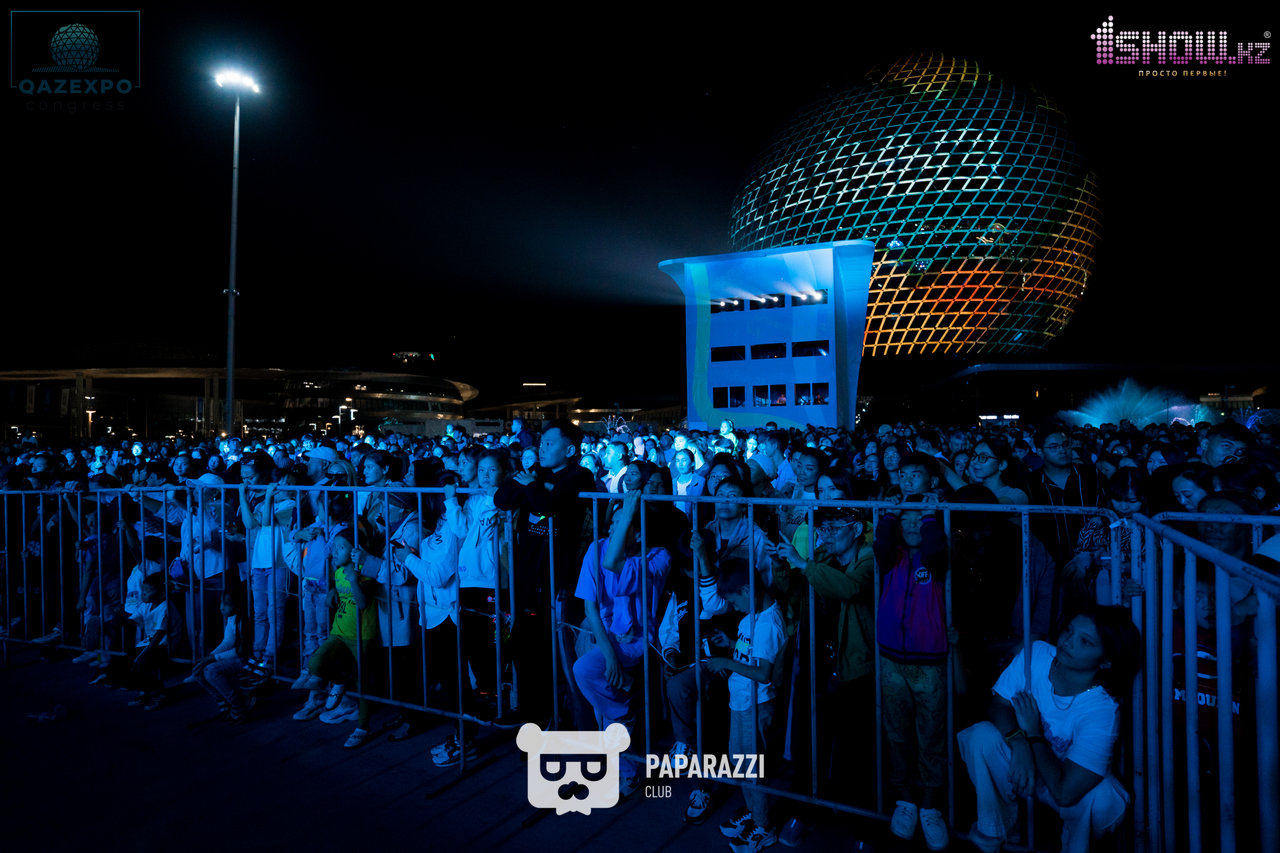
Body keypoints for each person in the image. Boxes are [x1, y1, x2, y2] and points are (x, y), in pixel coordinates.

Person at [958, 606, 1141, 853]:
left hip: (1062, 783)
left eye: (1085, 641)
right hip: (1024, 768)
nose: (1068, 642)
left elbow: (1065, 793)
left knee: (1102, 799)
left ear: (1106, 661)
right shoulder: (1037, 655)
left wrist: (1033, 734)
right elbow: (998, 705)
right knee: (980, 736)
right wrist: (1019, 742)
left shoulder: (1102, 710)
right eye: (1069, 630)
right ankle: (996, 832)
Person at [875, 497, 950, 851]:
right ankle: (905, 800)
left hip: (929, 661)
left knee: (931, 736)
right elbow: (882, 543)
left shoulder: (936, 558)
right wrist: (890, 514)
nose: (911, 526)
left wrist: (929, 516)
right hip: (891, 660)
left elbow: (933, 547)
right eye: (905, 520)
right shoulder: (892, 557)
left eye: (917, 520)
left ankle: (930, 806)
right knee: (897, 732)